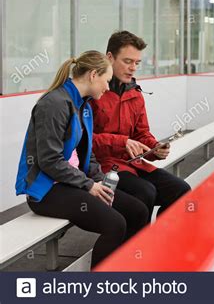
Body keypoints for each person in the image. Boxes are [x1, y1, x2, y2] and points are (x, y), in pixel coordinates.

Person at [15, 51, 149, 268]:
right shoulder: (54, 104)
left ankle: (127, 269)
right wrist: (89, 186)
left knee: (138, 211)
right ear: (93, 75)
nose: (107, 88)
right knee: (115, 224)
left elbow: (87, 154)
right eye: (106, 81)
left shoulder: (83, 105)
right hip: (48, 191)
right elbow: (49, 161)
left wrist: (99, 181)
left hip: (72, 183)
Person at [91, 31, 191, 222]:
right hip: (104, 167)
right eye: (128, 61)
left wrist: (154, 149)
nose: (133, 68)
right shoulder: (95, 92)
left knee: (181, 191)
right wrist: (122, 142)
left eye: (137, 63)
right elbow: (85, 141)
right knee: (145, 192)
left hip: (134, 165)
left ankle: (159, 240)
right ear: (109, 58)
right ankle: (136, 248)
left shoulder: (135, 94)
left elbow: (141, 133)